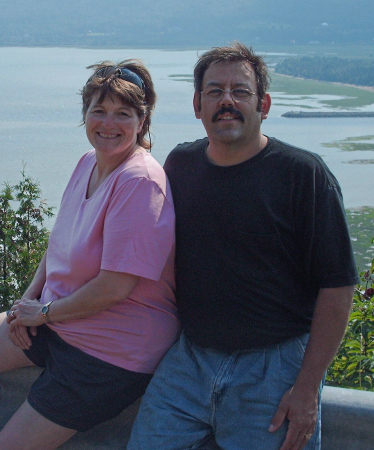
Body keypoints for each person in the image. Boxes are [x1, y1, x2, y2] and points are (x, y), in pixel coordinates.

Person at [127, 42, 359, 450]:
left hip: (275, 366)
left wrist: (307, 390)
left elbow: (338, 290)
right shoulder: (181, 165)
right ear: (198, 104)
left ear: (264, 103)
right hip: (190, 359)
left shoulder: (303, 176)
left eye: (241, 91)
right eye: (215, 91)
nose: (227, 101)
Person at [0, 59, 179, 449]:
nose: (108, 123)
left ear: (142, 121)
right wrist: (28, 302)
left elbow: (115, 287)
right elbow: (58, 246)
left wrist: (43, 314)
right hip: (59, 322)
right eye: (99, 110)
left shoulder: (140, 183)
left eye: (123, 114)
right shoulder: (87, 163)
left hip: (109, 352)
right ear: (85, 114)